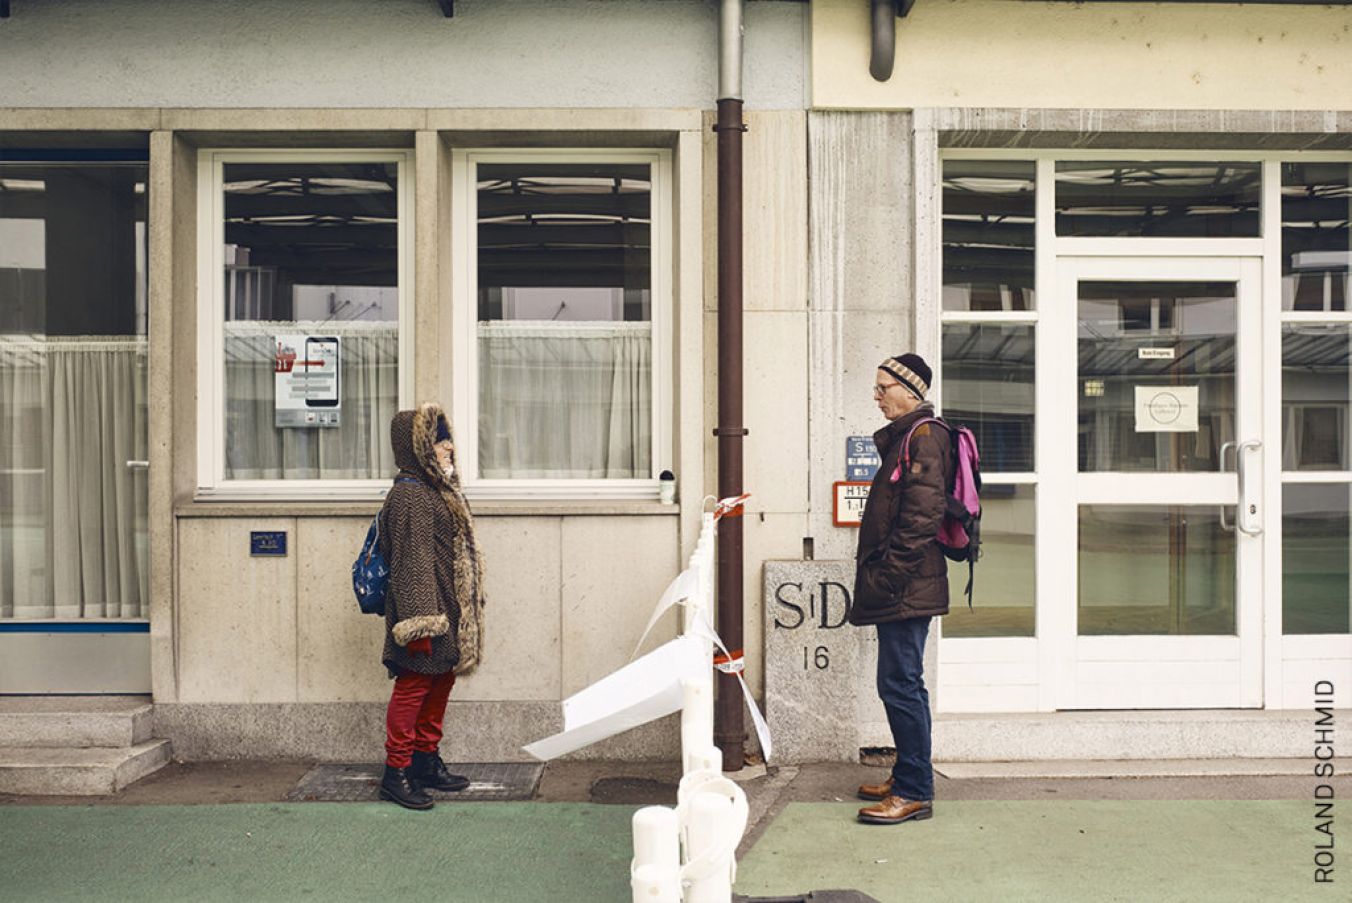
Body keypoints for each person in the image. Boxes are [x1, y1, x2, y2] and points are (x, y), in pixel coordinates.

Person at [848, 353, 952, 825]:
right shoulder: (909, 437)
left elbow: (921, 520)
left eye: (882, 387)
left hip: (906, 584)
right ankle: (909, 773)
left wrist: (889, 576)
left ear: (910, 391)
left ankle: (913, 791)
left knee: (900, 683)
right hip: (906, 582)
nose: (876, 396)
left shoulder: (924, 438)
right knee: (902, 682)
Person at [377, 402, 486, 810]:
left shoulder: (435, 490)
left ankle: (425, 760)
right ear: (419, 446)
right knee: (414, 685)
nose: (449, 448)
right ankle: (397, 772)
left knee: (441, 680)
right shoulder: (410, 496)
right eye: (439, 441)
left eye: (448, 439)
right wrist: (421, 624)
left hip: (448, 609)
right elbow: (411, 563)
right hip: (425, 611)